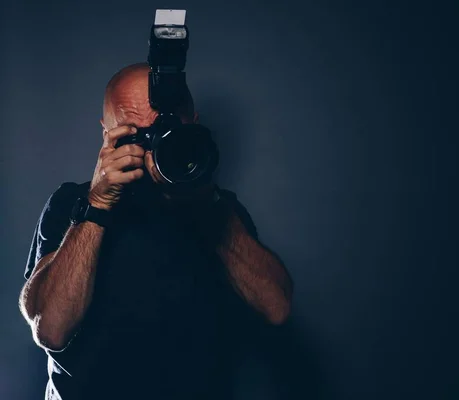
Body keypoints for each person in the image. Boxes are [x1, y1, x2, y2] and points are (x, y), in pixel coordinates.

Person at [18, 62, 294, 400]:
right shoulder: (72, 203)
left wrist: (202, 200)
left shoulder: (219, 208)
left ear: (192, 125)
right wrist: (97, 206)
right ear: (107, 134)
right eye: (134, 135)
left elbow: (276, 308)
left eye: (165, 132)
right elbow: (50, 330)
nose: (151, 149)